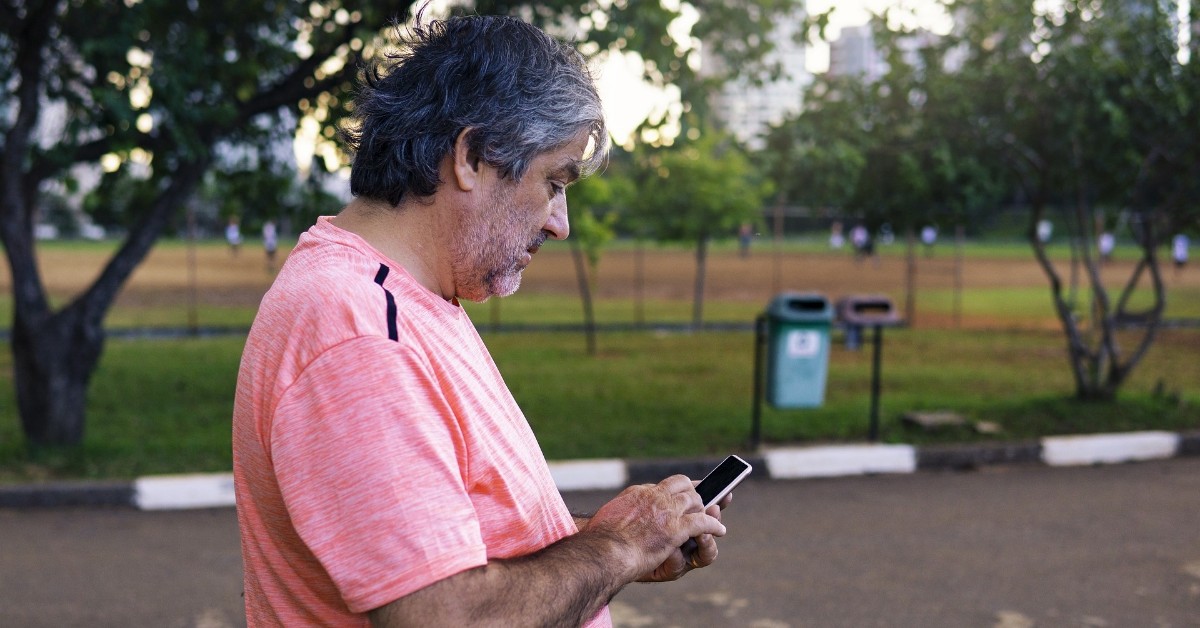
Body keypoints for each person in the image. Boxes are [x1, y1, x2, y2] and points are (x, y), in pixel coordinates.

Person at [232, 14, 731, 628]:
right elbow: (444, 615)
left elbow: (460, 539)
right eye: (555, 181)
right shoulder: (359, 330)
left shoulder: (408, 299)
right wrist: (618, 546)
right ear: (471, 156)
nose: (560, 223)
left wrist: (627, 543)